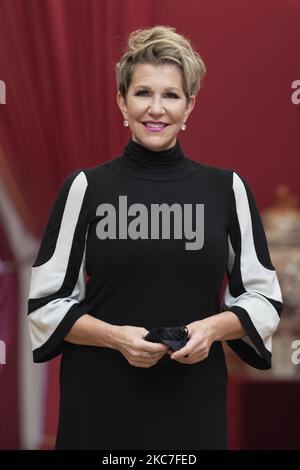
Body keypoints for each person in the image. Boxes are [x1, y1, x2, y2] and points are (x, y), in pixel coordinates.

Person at [27, 25, 283, 450]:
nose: (156, 109)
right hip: (99, 405)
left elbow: (263, 299)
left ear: (190, 106)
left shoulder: (227, 189)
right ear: (121, 102)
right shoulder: (85, 188)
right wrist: (116, 337)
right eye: (143, 93)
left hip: (192, 405)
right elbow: (46, 304)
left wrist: (211, 330)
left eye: (171, 95)